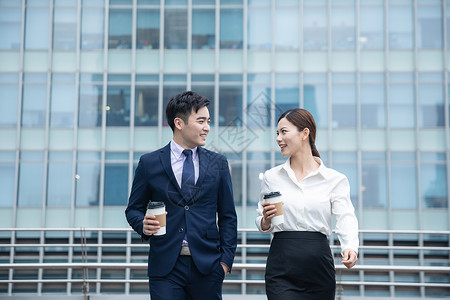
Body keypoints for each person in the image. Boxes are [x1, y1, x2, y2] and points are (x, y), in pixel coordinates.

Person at [126, 91, 237, 300]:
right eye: (201, 121)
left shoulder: (218, 164)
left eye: (208, 121)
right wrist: (142, 224)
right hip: (165, 268)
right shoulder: (149, 163)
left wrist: (224, 263)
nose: (207, 127)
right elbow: (133, 209)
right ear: (179, 123)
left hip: (208, 267)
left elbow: (228, 215)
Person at [255, 108, 359, 300]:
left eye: (284, 132)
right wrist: (265, 221)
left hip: (318, 265)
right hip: (281, 263)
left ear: (305, 133)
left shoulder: (334, 179)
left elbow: (345, 216)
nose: (278, 138)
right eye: (277, 133)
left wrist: (350, 246)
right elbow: (261, 218)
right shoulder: (272, 177)